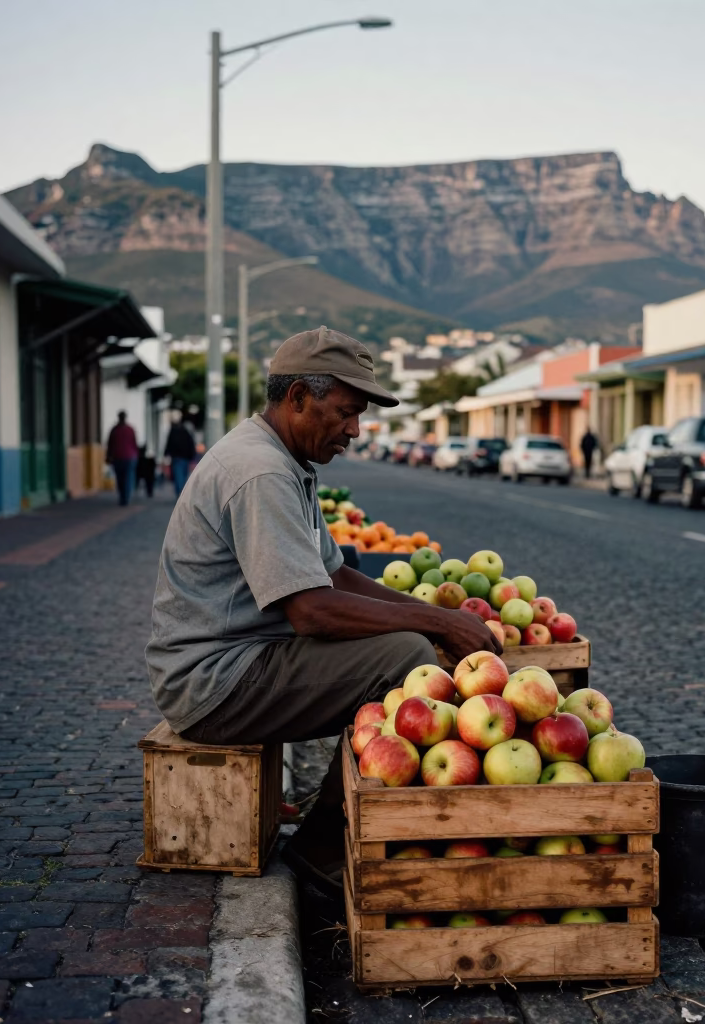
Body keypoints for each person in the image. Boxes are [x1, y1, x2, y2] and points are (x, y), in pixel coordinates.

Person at [145, 326, 499, 889]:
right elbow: (312, 611)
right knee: (405, 657)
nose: (355, 430)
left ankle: (362, 821)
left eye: (359, 416)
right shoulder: (259, 472)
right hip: (213, 682)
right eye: (345, 412)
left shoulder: (285, 461)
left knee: (412, 640)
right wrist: (433, 621)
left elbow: (335, 575)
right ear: (298, 399)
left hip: (247, 657)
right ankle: (322, 849)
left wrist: (440, 618)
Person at [106, 411, 139, 506]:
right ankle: (125, 497)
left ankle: (123, 496)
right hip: (129, 457)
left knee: (121, 478)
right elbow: (134, 443)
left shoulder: (115, 430)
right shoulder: (130, 429)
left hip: (119, 457)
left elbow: (110, 445)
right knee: (127, 478)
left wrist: (108, 456)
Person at [163, 410, 197, 498]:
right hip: (185, 457)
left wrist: (166, 453)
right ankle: (182, 493)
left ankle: (180, 494)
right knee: (183, 475)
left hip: (177, 457)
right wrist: (192, 455)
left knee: (178, 476)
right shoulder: (185, 431)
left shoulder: (173, 431)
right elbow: (190, 443)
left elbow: (168, 443)